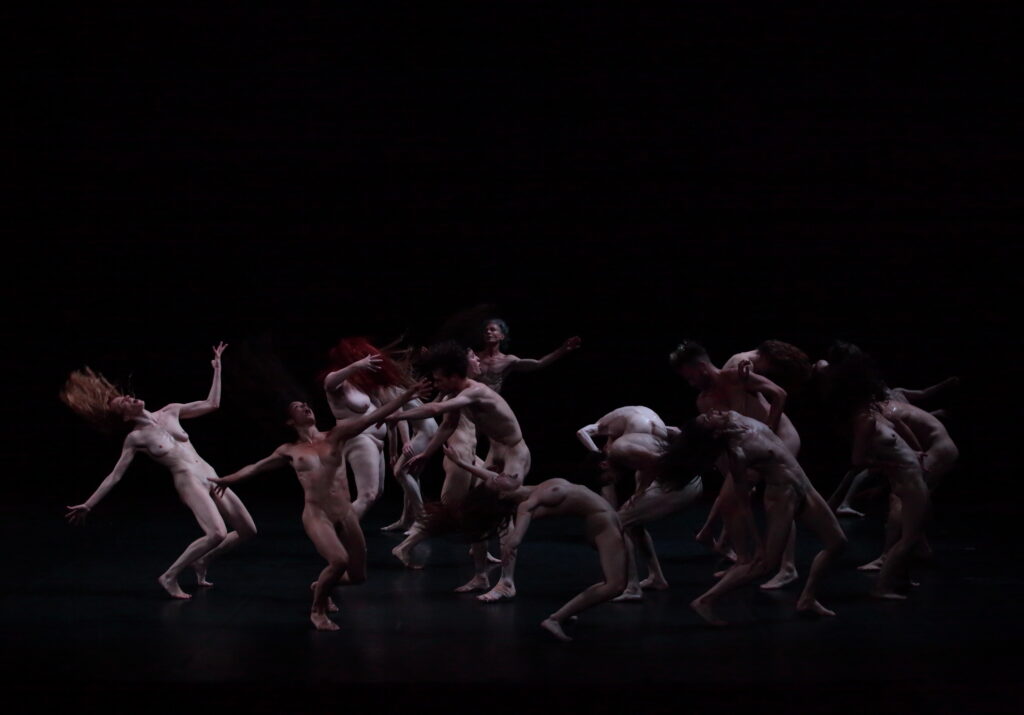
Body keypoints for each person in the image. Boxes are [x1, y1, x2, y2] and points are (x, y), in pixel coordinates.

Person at [209, 380, 427, 631]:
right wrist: (228, 479)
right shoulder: (289, 450)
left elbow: (373, 417)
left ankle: (321, 585)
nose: (305, 407)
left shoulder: (335, 435)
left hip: (345, 513)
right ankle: (317, 610)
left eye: (306, 404)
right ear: (290, 421)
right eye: (297, 406)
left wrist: (407, 396)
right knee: (339, 561)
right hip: (317, 514)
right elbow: (255, 467)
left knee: (358, 577)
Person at [63, 343, 257, 599]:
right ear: (125, 417)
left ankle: (202, 560)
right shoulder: (136, 438)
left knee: (248, 530)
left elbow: (212, 404)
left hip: (211, 475)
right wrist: (89, 504)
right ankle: (169, 576)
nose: (130, 398)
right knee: (217, 533)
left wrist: (217, 369)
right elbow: (115, 476)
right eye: (124, 403)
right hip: (188, 480)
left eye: (127, 396)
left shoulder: (171, 411)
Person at [383, 341, 531, 602]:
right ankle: (481, 576)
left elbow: (435, 409)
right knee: (475, 511)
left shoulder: (476, 392)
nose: (436, 384)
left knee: (502, 516)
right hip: (495, 452)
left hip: (514, 453)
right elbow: (447, 425)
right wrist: (426, 454)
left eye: (439, 379)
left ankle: (507, 582)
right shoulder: (455, 395)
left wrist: (397, 415)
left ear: (454, 376)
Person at [440, 445, 628, 643]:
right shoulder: (528, 502)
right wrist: (513, 541)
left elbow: (490, 479)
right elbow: (524, 513)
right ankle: (555, 619)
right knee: (614, 586)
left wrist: (461, 463)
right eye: (497, 480)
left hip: (607, 522)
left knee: (617, 583)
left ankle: (568, 612)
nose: (499, 475)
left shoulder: (527, 491)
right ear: (502, 494)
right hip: (603, 525)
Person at [685, 410, 847, 625]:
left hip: (803, 485)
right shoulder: (737, 452)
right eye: (708, 418)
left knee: (837, 542)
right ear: (714, 433)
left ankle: (808, 598)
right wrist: (758, 543)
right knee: (765, 565)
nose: (713, 412)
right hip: (781, 495)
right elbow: (743, 503)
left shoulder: (735, 416)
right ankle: (706, 600)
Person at [671, 341, 798, 587]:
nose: (691, 383)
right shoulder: (704, 401)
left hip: (780, 437)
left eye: (691, 377)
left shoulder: (735, 376)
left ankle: (788, 567)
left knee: (779, 500)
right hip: (753, 448)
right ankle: (743, 560)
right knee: (730, 502)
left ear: (701, 367)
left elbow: (779, 394)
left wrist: (769, 429)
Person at [322, 337, 413, 520]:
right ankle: (337, 532)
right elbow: (329, 383)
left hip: (376, 442)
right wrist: (356, 366)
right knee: (367, 495)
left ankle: (340, 528)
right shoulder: (337, 382)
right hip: (359, 439)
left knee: (376, 493)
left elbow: (390, 412)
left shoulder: (364, 387)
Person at [475, 318, 581, 393]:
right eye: (486, 331)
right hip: (470, 403)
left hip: (490, 404)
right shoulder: (473, 357)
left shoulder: (508, 360)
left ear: (502, 336)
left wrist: (562, 349)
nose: (488, 332)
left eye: (492, 330)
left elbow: (538, 363)